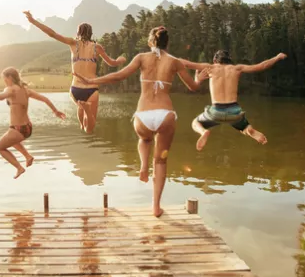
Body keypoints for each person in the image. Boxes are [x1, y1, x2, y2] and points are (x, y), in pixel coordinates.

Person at [74, 26, 209, 217]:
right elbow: (193, 87)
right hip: (165, 115)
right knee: (161, 162)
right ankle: (155, 206)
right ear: (167, 43)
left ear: (150, 41)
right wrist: (199, 77)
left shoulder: (141, 58)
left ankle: (144, 165)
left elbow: (118, 76)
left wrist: (92, 81)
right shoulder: (175, 62)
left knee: (145, 139)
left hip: (143, 115)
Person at [23, 10, 126, 133]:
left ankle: (83, 108)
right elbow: (112, 63)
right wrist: (120, 60)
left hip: (75, 89)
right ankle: (87, 109)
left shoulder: (73, 43)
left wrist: (33, 21)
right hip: (91, 89)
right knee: (89, 129)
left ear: (78, 32)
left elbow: (52, 34)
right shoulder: (97, 47)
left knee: (82, 125)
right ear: (91, 34)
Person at [180, 50, 287, 151]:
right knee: (243, 127)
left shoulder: (210, 68)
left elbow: (186, 63)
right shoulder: (237, 68)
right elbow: (261, 66)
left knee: (195, 122)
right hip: (234, 111)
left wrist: (165, 56)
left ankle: (203, 132)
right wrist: (277, 57)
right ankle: (249, 129)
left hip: (216, 111)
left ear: (215, 60)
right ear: (229, 60)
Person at [0, 67, 66, 179]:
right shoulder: (26, 90)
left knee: (0, 147)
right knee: (10, 140)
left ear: (10, 77)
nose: (4, 82)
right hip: (28, 128)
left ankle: (19, 168)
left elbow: (2, 96)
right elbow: (44, 99)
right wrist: (55, 111)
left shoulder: (11, 89)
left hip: (17, 128)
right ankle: (27, 156)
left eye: (4, 79)